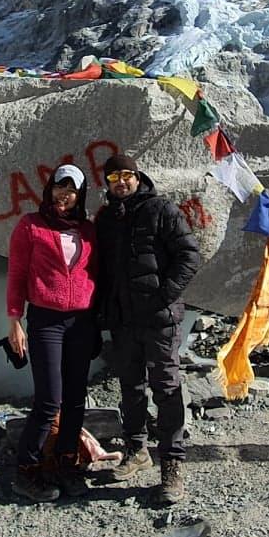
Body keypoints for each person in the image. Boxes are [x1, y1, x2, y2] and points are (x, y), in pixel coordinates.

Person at [94, 153, 201, 505]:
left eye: (126, 175)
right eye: (113, 178)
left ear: (138, 177)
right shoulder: (106, 218)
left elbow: (189, 255)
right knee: (131, 388)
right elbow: (104, 271)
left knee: (167, 388)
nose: (121, 182)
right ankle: (136, 450)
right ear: (107, 183)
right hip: (124, 321)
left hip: (159, 319)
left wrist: (164, 296)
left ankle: (171, 464)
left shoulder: (161, 209)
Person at [5, 163, 99, 503]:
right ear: (50, 190)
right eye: (60, 187)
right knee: (49, 401)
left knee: (75, 399)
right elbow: (16, 273)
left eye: (72, 190)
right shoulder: (31, 226)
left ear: (80, 194)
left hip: (82, 322)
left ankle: (66, 464)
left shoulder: (87, 230)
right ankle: (26, 471)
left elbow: (95, 276)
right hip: (46, 320)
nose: (65, 195)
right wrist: (14, 320)